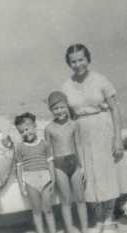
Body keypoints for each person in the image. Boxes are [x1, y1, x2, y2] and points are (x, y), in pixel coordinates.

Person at [61, 44, 127, 233]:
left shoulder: (101, 80)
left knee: (107, 173)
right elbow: (66, 115)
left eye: (81, 59)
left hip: (103, 128)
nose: (78, 64)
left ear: (88, 59)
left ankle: (108, 219)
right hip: (81, 132)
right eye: (73, 61)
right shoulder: (66, 86)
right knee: (89, 176)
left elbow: (115, 109)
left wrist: (118, 138)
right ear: (69, 63)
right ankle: (98, 218)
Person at [45, 91, 88, 233]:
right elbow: (49, 154)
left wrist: (83, 167)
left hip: (74, 163)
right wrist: (52, 175)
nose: (59, 111)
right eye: (55, 108)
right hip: (59, 166)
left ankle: (85, 229)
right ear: (51, 110)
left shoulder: (74, 125)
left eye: (62, 107)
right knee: (66, 200)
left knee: (80, 199)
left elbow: (79, 145)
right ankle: (69, 229)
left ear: (67, 107)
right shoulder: (49, 128)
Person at [14, 112, 57, 233]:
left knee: (48, 209)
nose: (25, 133)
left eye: (27, 129)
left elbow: (50, 163)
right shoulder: (20, 147)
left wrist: (53, 180)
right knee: (36, 210)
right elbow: (19, 167)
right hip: (30, 180)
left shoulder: (45, 144)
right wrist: (21, 186)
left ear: (34, 126)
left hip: (46, 179)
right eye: (21, 132)